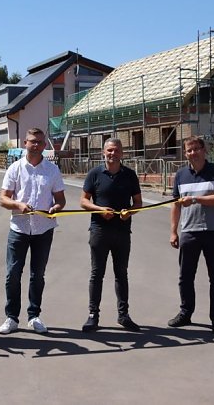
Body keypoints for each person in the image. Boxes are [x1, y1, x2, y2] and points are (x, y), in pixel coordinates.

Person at [0, 128, 66, 335]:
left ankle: (34, 316)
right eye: (32, 142)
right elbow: (3, 199)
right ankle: (11, 317)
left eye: (39, 142)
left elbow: (61, 200)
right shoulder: (15, 169)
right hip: (18, 229)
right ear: (25, 144)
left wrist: (56, 207)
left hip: (43, 230)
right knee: (13, 274)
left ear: (45, 146)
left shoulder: (52, 170)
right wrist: (17, 205)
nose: (36, 145)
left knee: (38, 275)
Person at [79, 138, 142, 332]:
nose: (112, 154)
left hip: (122, 232)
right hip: (99, 231)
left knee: (121, 274)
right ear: (103, 153)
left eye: (116, 150)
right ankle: (93, 315)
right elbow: (83, 201)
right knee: (97, 274)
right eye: (109, 151)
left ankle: (123, 315)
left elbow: (138, 203)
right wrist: (99, 210)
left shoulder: (130, 175)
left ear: (122, 153)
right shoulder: (95, 174)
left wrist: (129, 212)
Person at [168, 135, 214, 334]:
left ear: (204, 150)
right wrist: (173, 231)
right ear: (185, 153)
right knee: (185, 277)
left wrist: (195, 199)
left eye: (196, 149)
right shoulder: (180, 175)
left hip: (213, 232)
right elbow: (176, 205)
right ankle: (186, 312)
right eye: (189, 150)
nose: (193, 153)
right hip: (189, 232)